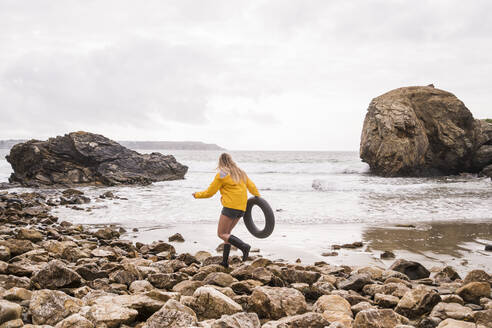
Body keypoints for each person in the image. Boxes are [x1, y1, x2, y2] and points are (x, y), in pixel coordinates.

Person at [193, 153, 260, 268]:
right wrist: (257, 196)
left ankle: (244, 246)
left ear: (220, 162)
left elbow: (210, 193)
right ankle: (225, 262)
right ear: (231, 160)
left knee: (221, 234)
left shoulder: (222, 174)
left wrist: (197, 195)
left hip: (230, 207)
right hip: (242, 208)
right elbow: (252, 186)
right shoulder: (241, 173)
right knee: (227, 234)